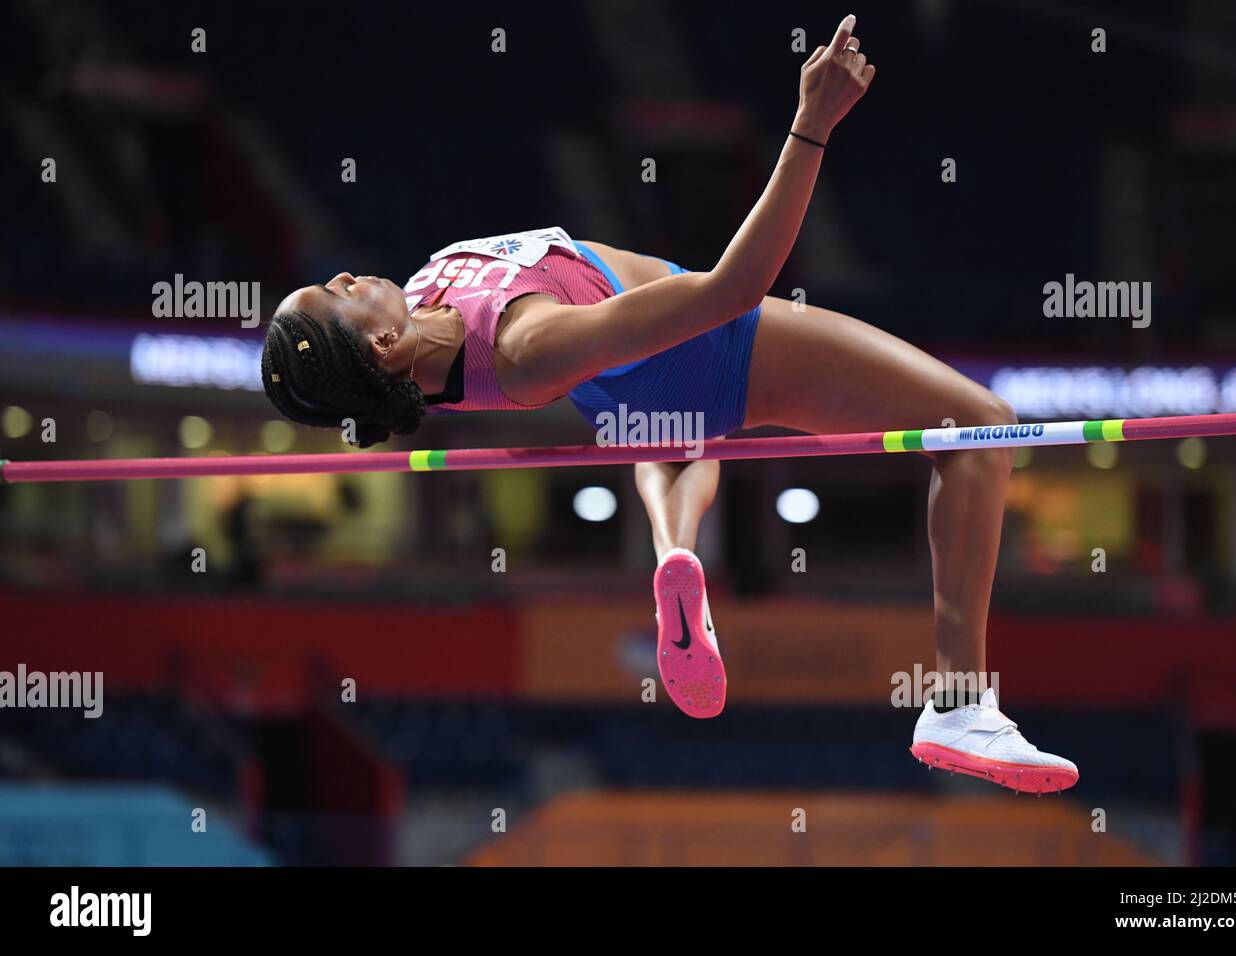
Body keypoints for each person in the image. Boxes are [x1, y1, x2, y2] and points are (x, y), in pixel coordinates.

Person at [262, 15, 1078, 793]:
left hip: (629, 386)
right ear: (376, 349)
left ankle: (673, 555)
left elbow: (379, 373)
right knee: (976, 430)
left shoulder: (422, 300)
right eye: (335, 295)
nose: (345, 277)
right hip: (717, 349)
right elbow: (731, 289)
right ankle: (960, 704)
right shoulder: (522, 347)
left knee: (671, 431)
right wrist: (812, 125)